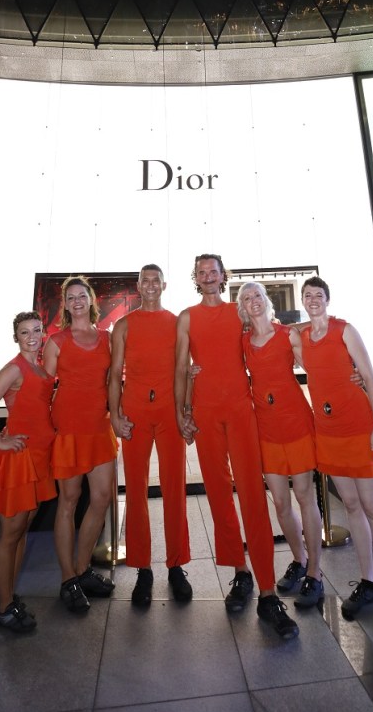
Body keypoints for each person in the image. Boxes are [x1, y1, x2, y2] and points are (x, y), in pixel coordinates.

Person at [175, 253, 298, 640]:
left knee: (251, 495)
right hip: (206, 413)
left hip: (242, 411)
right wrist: (183, 412)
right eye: (202, 272)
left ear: (223, 276)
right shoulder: (186, 317)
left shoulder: (240, 311)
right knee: (217, 495)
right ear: (195, 278)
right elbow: (181, 366)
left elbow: (275, 333)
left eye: (214, 271)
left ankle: (266, 592)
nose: (209, 276)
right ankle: (240, 573)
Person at [300, 276, 373, 631]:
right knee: (353, 507)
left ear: (328, 300)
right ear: (302, 301)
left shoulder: (345, 330)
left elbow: (370, 379)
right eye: (308, 295)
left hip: (360, 430)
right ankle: (368, 582)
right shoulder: (301, 339)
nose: (313, 300)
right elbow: (275, 329)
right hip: (328, 434)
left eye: (319, 295)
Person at [108, 264, 192, 607]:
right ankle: (143, 568)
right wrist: (114, 416)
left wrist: (186, 412)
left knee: (175, 488)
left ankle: (176, 567)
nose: (152, 285)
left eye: (157, 279)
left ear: (165, 285)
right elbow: (114, 373)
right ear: (138, 286)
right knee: (137, 491)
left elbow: (185, 369)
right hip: (135, 413)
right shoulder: (124, 325)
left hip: (169, 412)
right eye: (146, 280)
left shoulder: (176, 322)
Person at [236, 282, 323, 608]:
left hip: (296, 423)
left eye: (257, 295)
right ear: (242, 306)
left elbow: (317, 367)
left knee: (304, 497)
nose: (253, 301)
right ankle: (299, 561)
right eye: (246, 298)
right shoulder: (244, 342)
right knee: (280, 503)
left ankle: (315, 573)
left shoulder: (287, 334)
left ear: (265, 300)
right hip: (266, 430)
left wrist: (351, 375)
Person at [0, 310, 56, 633]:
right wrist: (0, 440)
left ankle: (9, 596)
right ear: (16, 337)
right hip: (19, 460)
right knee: (10, 535)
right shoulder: (14, 369)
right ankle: (4, 606)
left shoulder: (38, 365)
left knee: (23, 530)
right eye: (25, 332)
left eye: (36, 330)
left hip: (39, 459)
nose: (32, 336)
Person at [43, 275, 117, 613]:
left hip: (99, 428)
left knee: (101, 499)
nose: (76, 300)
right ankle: (67, 578)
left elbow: (118, 378)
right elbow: (43, 387)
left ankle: (83, 568)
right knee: (69, 502)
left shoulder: (107, 338)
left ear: (90, 300)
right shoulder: (56, 341)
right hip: (68, 429)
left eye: (81, 295)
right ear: (65, 303)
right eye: (70, 296)